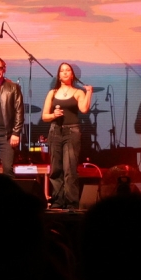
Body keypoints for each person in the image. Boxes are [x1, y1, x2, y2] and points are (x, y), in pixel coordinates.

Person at [43, 62, 92, 209]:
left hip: (72, 132)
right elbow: (45, 116)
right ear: (59, 75)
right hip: (55, 131)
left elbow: (84, 109)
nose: (65, 72)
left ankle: (71, 203)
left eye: (68, 70)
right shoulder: (52, 93)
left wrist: (89, 92)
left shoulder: (78, 92)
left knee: (70, 169)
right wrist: (54, 115)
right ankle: (58, 201)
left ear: (72, 75)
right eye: (62, 71)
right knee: (56, 169)